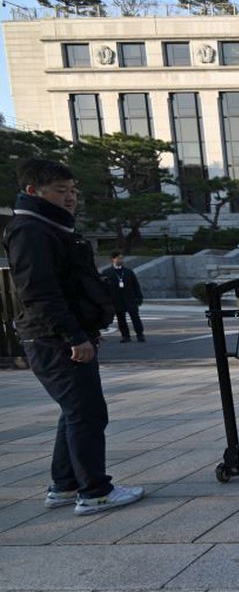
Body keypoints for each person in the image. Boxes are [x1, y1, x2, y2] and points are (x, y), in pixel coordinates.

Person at [3, 159, 144, 516]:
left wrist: (86, 330)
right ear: (33, 191)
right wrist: (74, 336)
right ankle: (94, 490)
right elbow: (40, 292)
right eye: (61, 191)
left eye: (73, 191)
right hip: (53, 338)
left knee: (75, 412)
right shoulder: (31, 230)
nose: (70, 198)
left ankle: (64, 486)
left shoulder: (48, 226)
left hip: (59, 336)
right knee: (87, 414)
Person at [101, 251, 145, 343]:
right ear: (113, 259)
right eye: (119, 258)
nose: (121, 260)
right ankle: (125, 336)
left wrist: (139, 297)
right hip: (116, 299)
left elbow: (135, 285)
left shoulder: (128, 272)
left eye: (122, 258)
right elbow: (104, 288)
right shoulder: (107, 273)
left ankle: (140, 334)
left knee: (135, 317)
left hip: (130, 298)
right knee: (121, 319)